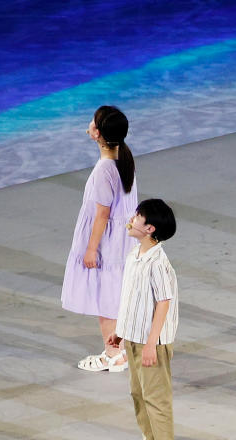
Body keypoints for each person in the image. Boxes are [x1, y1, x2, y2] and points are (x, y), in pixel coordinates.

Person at [106, 199, 179, 440]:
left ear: (150, 228)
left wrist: (151, 344)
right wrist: (121, 330)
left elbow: (163, 303)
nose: (132, 219)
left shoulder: (158, 263)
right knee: (138, 394)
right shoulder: (134, 256)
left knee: (156, 398)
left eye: (138, 216)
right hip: (134, 338)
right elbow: (133, 299)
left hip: (153, 343)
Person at [62, 105, 138, 372]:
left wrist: (91, 249)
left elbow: (102, 214)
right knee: (116, 293)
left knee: (105, 297)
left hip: (108, 242)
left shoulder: (104, 170)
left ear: (97, 133)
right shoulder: (124, 159)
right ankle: (120, 349)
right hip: (123, 239)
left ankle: (113, 354)